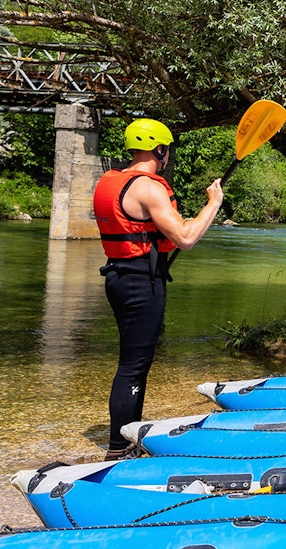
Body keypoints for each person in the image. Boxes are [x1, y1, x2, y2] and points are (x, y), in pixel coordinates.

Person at [92, 118, 224, 461]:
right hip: (140, 285)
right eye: (167, 151)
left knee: (135, 363)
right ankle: (119, 449)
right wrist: (213, 203)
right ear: (161, 150)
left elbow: (150, 233)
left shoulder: (110, 180)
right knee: (133, 366)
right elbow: (186, 237)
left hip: (119, 277)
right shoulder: (149, 188)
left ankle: (128, 440)